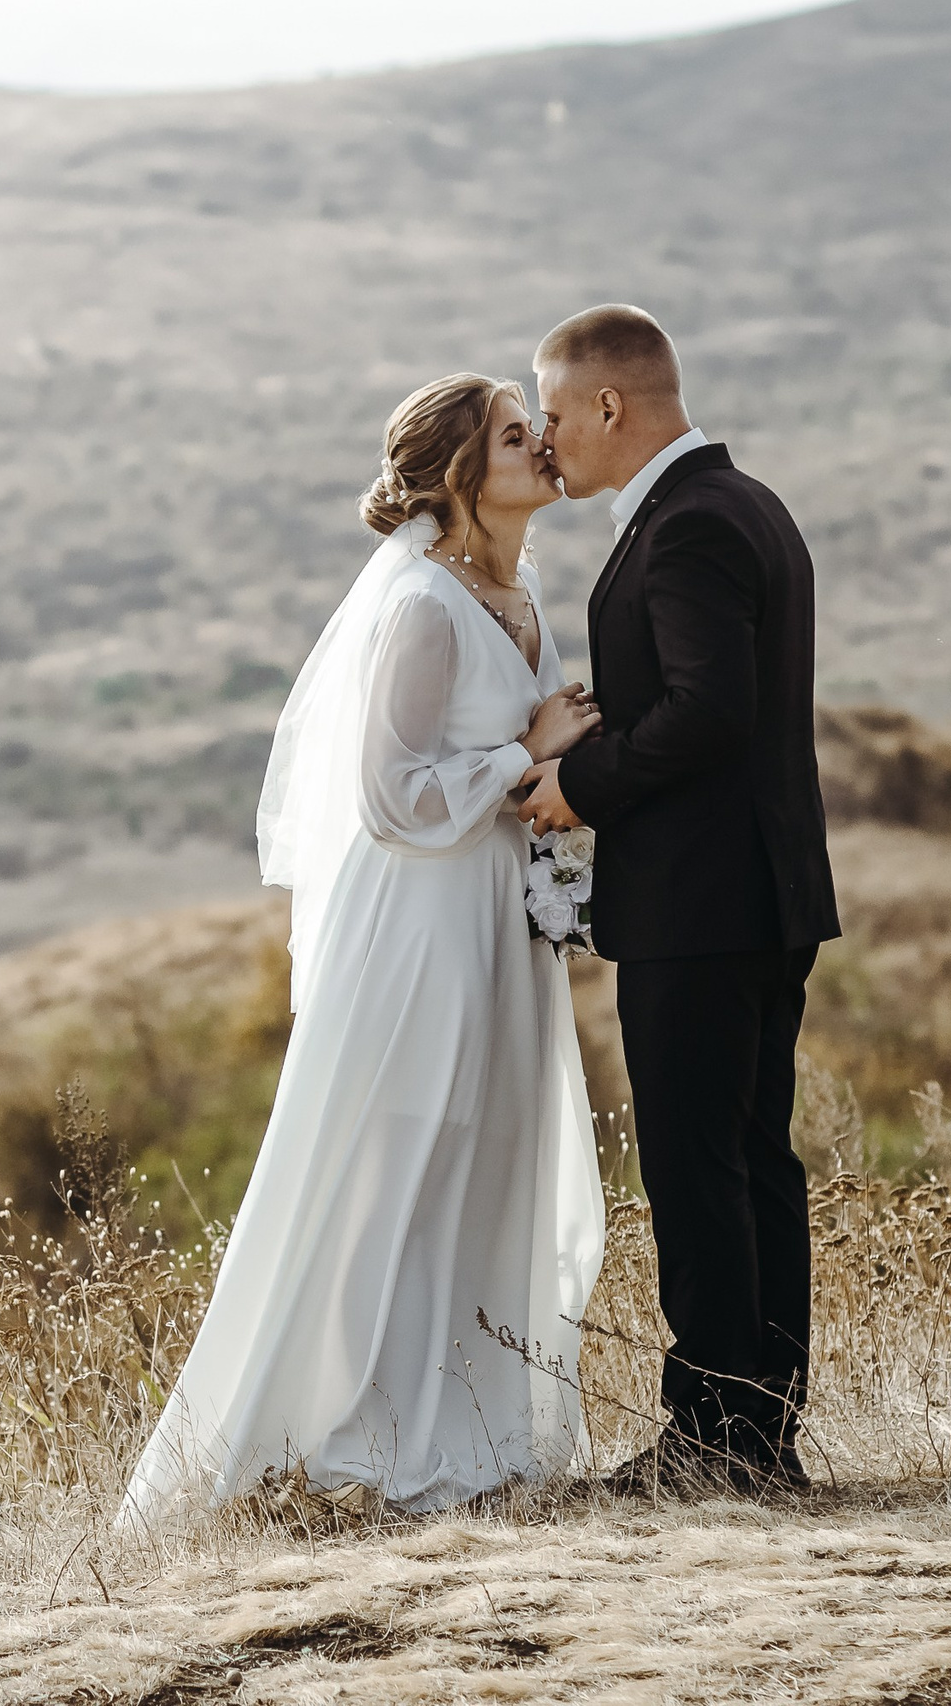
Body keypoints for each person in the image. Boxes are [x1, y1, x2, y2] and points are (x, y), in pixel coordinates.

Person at [118, 374, 607, 1525]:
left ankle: (469, 1429)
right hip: (422, 925)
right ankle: (352, 1439)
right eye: (511, 433)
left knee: (486, 1157)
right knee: (401, 1161)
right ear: (458, 474)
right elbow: (387, 797)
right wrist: (520, 757)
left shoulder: (522, 590)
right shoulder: (421, 608)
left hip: (495, 917)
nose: (539, 442)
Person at [519, 304, 842, 1494]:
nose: (548, 441)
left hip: (701, 904)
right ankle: (757, 1435)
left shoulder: (690, 522)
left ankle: (715, 1442)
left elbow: (709, 710)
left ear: (610, 405)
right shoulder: (741, 501)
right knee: (752, 1163)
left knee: (701, 1170)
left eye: (553, 415)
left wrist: (576, 785)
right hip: (760, 895)